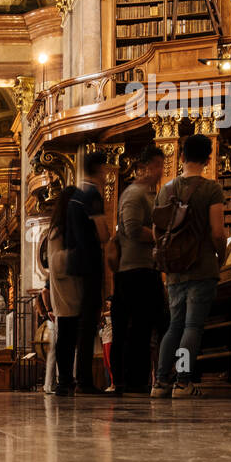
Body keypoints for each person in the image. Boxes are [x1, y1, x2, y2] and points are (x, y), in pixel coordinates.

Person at [152, 133, 226, 399]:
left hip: (174, 270)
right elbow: (217, 232)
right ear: (207, 158)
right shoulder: (211, 189)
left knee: (174, 325)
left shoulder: (166, 189)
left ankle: (160, 383)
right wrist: (222, 256)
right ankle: (183, 383)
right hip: (202, 266)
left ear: (181, 156)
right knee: (192, 327)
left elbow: (156, 232)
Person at [111, 143, 166, 396]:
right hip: (135, 271)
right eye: (156, 166)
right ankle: (133, 382)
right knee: (139, 328)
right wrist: (162, 236)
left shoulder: (150, 195)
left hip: (145, 269)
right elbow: (131, 229)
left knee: (149, 326)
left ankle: (138, 380)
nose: (160, 171)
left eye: (161, 166)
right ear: (144, 167)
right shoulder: (134, 194)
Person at [65, 152, 109, 393]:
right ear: (100, 169)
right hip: (89, 264)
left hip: (74, 266)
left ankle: (77, 378)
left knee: (78, 324)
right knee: (89, 324)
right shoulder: (91, 195)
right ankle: (84, 380)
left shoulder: (74, 198)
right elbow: (103, 234)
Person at [45, 185, 81, 395]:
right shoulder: (58, 230)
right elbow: (56, 263)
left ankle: (68, 380)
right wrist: (79, 254)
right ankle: (64, 380)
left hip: (72, 288)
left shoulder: (68, 227)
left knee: (71, 336)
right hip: (66, 290)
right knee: (66, 337)